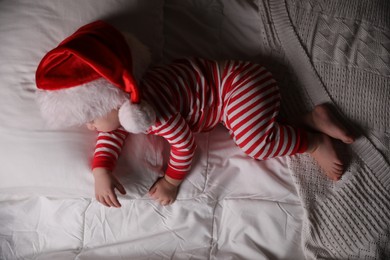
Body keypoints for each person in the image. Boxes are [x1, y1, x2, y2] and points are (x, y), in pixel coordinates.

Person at [35, 21, 354, 208]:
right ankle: (312, 119)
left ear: (117, 101)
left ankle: (312, 141)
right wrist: (101, 170)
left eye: (90, 116)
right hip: (239, 86)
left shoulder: (154, 113)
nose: (90, 126)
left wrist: (172, 182)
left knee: (253, 143)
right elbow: (113, 130)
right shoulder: (131, 104)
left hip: (238, 86)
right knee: (252, 126)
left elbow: (185, 146)